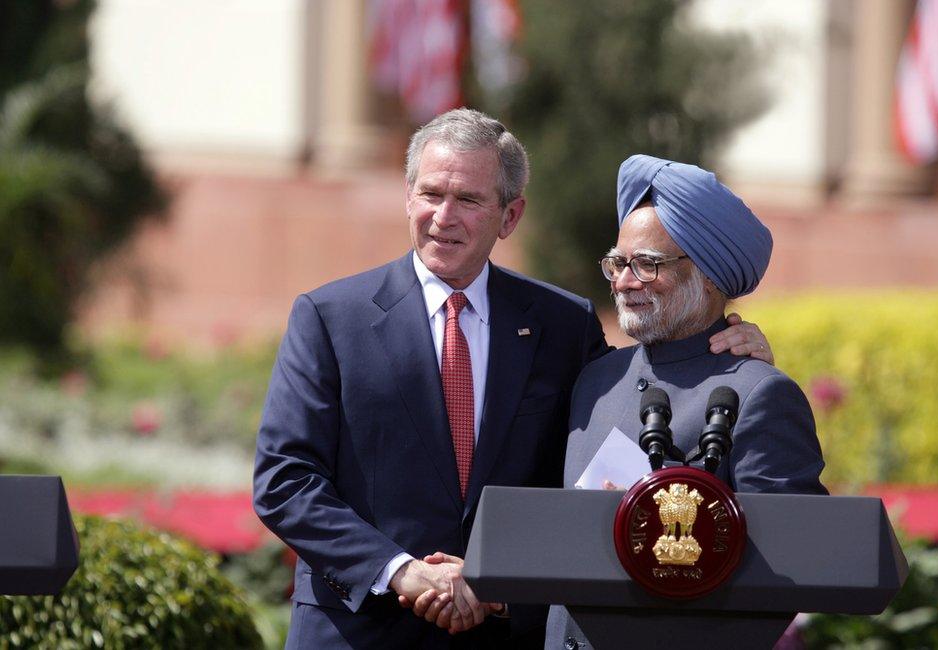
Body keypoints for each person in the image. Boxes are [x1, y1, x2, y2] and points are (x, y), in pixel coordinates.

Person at [252, 111, 771, 650]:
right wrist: (401, 570)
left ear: (509, 215)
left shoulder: (563, 326)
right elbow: (285, 480)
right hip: (355, 630)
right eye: (430, 194)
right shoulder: (330, 317)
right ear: (409, 196)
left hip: (503, 632)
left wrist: (734, 365)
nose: (443, 217)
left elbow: (632, 418)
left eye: (469, 200)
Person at [544, 154, 828, 650]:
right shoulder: (595, 379)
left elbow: (788, 566)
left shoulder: (758, 393)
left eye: (647, 265)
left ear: (710, 276)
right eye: (618, 262)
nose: (624, 282)